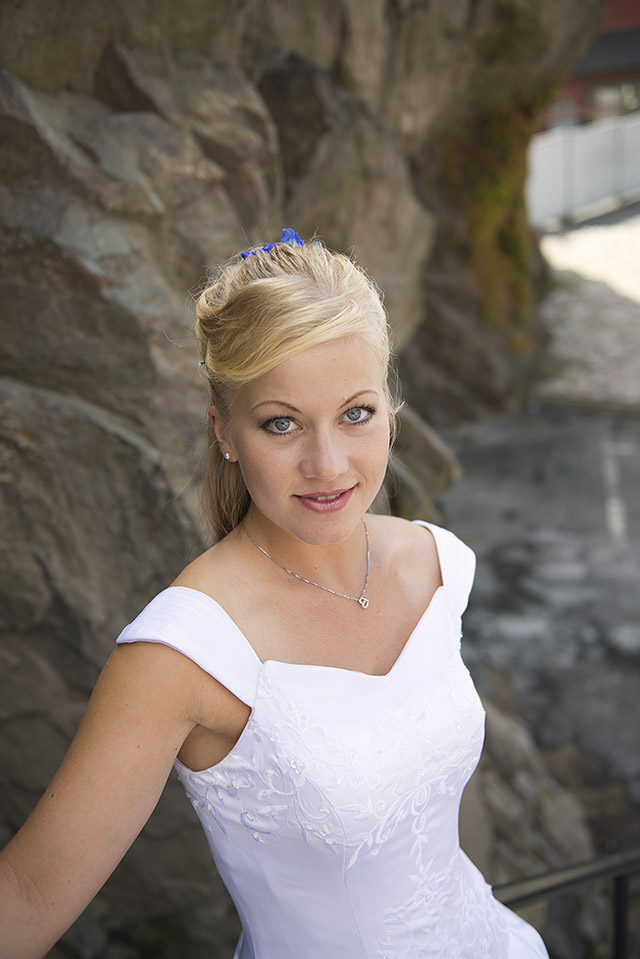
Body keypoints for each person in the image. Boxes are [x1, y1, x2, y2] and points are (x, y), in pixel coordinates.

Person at [0, 229, 549, 958]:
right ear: (225, 432)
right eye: (281, 423)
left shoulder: (435, 564)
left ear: (390, 408)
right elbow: (29, 895)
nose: (328, 464)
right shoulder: (182, 653)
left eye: (356, 413)